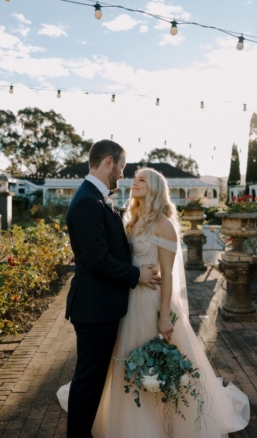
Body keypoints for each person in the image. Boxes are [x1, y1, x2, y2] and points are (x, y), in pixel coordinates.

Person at [58, 166, 250, 438]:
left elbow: (168, 274)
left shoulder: (164, 224)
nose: (133, 182)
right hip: (125, 299)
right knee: (124, 359)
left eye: (141, 180)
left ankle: (157, 423)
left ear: (156, 188)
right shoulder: (132, 219)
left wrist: (163, 316)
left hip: (149, 302)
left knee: (151, 359)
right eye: (133, 178)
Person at [62, 140, 160, 438]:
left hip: (101, 306)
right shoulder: (87, 203)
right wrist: (136, 275)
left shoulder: (94, 198)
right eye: (121, 165)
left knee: (92, 379)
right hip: (94, 309)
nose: (123, 172)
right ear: (108, 162)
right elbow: (98, 260)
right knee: (88, 381)